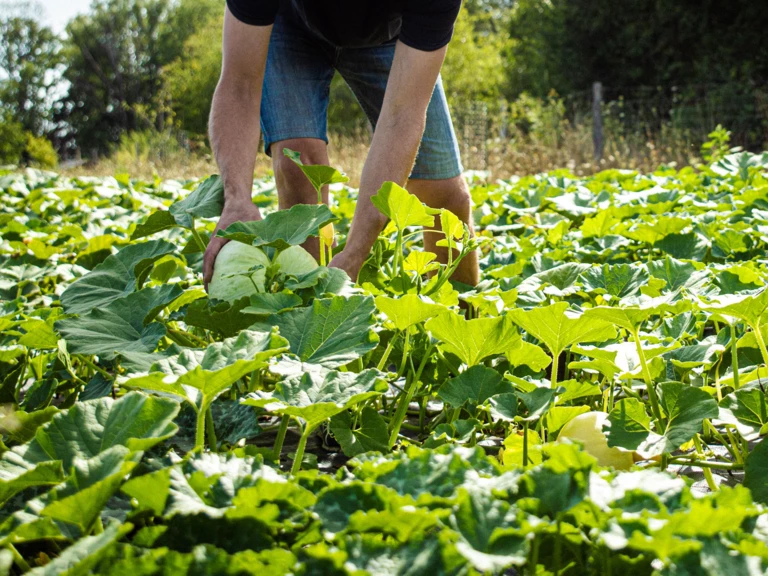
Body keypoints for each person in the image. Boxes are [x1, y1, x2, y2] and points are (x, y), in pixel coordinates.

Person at [202, 0, 479, 289]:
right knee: (299, 166)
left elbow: (403, 115)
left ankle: (463, 320)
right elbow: (240, 85)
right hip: (290, 25)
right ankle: (311, 321)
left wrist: (356, 253)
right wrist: (236, 201)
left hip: (392, 39)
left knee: (446, 200)